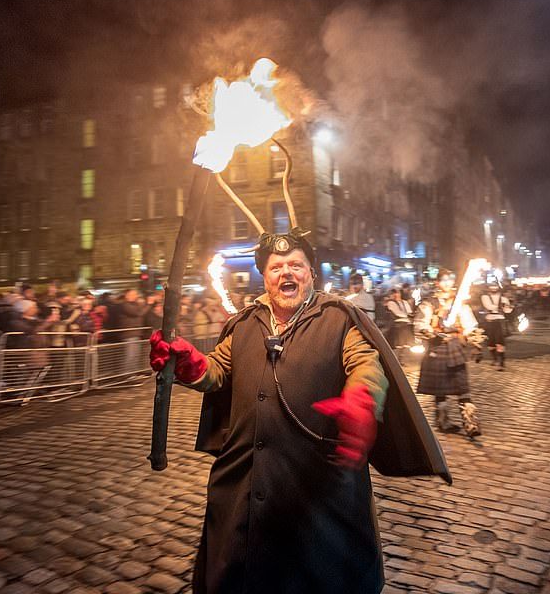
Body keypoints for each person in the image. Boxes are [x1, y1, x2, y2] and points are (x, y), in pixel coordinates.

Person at [149, 228, 449, 593]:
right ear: (265, 276)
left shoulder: (339, 318)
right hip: (246, 485)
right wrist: (188, 364)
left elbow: (366, 366)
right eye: (276, 267)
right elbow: (216, 372)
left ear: (310, 273)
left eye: (296, 265)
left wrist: (360, 402)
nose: (286, 273)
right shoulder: (244, 324)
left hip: (318, 489)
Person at [414, 269, 481, 436]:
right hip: (437, 347)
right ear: (437, 282)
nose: (446, 283)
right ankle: (443, 421)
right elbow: (421, 324)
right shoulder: (429, 303)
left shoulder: (459, 303)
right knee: (440, 389)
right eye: (443, 280)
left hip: (455, 346)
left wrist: (475, 340)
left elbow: (469, 324)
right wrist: (431, 333)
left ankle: (470, 423)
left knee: (462, 386)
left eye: (449, 280)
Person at [479, 283, 511, 370]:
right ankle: (495, 359)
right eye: (491, 286)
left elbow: (507, 310)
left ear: (498, 287)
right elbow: (488, 306)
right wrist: (501, 306)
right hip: (489, 320)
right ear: (488, 287)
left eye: (495, 286)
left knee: (500, 342)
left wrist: (508, 307)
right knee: (490, 343)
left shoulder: (504, 298)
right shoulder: (485, 297)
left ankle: (501, 362)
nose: (493, 288)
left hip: (500, 320)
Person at [384, 287, 414, 362]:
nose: (396, 295)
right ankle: (395, 362)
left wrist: (410, 315)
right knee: (397, 346)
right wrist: (407, 315)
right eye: (394, 293)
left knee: (404, 346)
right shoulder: (391, 303)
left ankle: (401, 361)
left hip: (405, 326)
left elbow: (409, 311)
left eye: (397, 293)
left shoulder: (405, 302)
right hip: (397, 326)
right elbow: (397, 313)